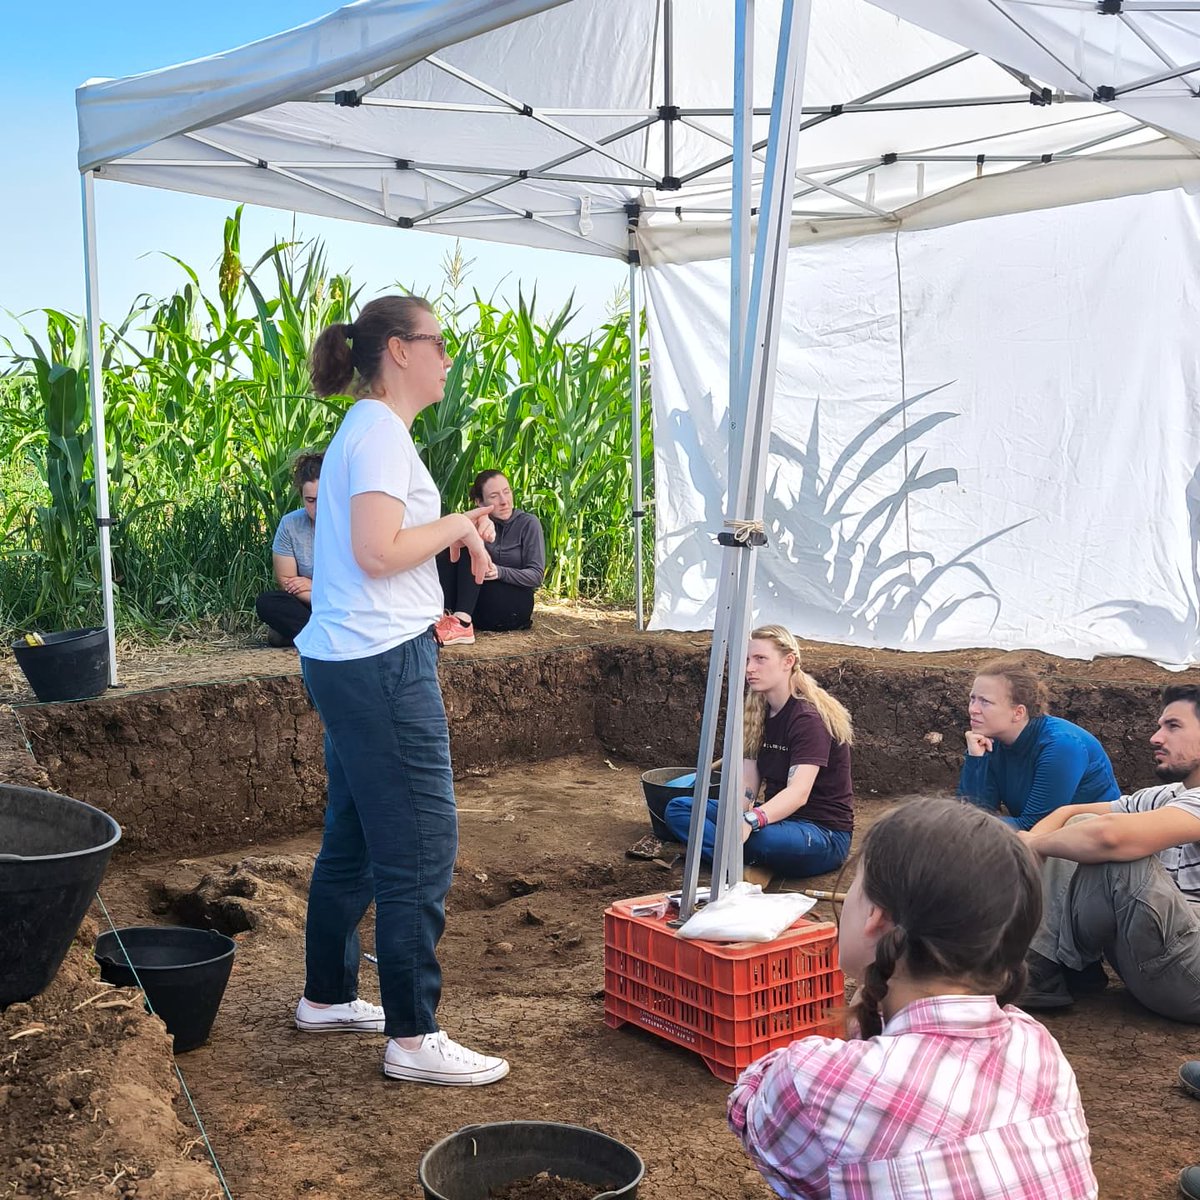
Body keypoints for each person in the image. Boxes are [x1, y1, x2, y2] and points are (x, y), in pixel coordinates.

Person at [291, 295, 509, 1086]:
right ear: (399, 350)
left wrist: (458, 529)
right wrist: (460, 525)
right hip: (382, 662)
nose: (449, 358)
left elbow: (377, 549)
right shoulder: (379, 432)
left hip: (352, 656)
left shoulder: (368, 430)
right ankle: (413, 1037)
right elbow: (377, 551)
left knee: (354, 833)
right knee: (422, 840)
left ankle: (327, 996)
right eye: (439, 343)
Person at [729, 798, 1098, 1200]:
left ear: (877, 916)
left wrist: (859, 1028)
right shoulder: (1037, 1043)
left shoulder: (816, 1078)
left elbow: (749, 1108)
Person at [1019, 683, 1200, 1022]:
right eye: (1160, 726)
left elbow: (1110, 837)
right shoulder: (1168, 795)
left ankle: (1045, 963)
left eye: (1173, 726)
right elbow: (1071, 814)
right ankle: (1066, 964)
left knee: (1117, 849)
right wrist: (1030, 843)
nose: (1156, 738)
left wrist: (1031, 845)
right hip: (1159, 969)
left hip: (1194, 976)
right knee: (1081, 826)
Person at [664, 624, 854, 879]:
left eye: (760, 659)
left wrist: (750, 821)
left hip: (821, 833)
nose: (749, 668)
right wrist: (737, 816)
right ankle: (744, 862)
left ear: (788, 662)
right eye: (747, 660)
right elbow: (748, 784)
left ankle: (733, 857)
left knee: (757, 839)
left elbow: (798, 793)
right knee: (680, 809)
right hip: (777, 819)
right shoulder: (758, 713)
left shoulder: (808, 719)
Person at [959, 654, 1120, 830]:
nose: (973, 709)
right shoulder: (992, 740)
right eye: (973, 699)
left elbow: (1035, 827)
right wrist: (976, 760)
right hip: (1050, 838)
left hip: (1095, 840)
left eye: (985, 702)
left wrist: (965, 824)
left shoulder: (1061, 746)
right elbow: (977, 811)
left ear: (1018, 713)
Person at [434, 469, 545, 645]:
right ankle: (447, 618)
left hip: (510, 605)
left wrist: (499, 572)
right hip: (476, 604)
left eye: (506, 492)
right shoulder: (474, 523)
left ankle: (462, 622)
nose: (504, 501)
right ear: (480, 502)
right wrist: (481, 520)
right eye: (494, 496)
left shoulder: (528, 523)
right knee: (458, 542)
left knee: (470, 546)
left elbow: (536, 575)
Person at [255, 451, 324, 647]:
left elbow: (353, 584)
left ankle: (309, 635)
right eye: (310, 500)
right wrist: (317, 593)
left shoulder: (351, 523)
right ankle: (322, 635)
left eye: (323, 498)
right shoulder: (290, 524)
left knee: (278, 636)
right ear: (301, 497)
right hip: (309, 602)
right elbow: (288, 582)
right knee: (267, 603)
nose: (318, 507)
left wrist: (315, 586)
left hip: (345, 603)